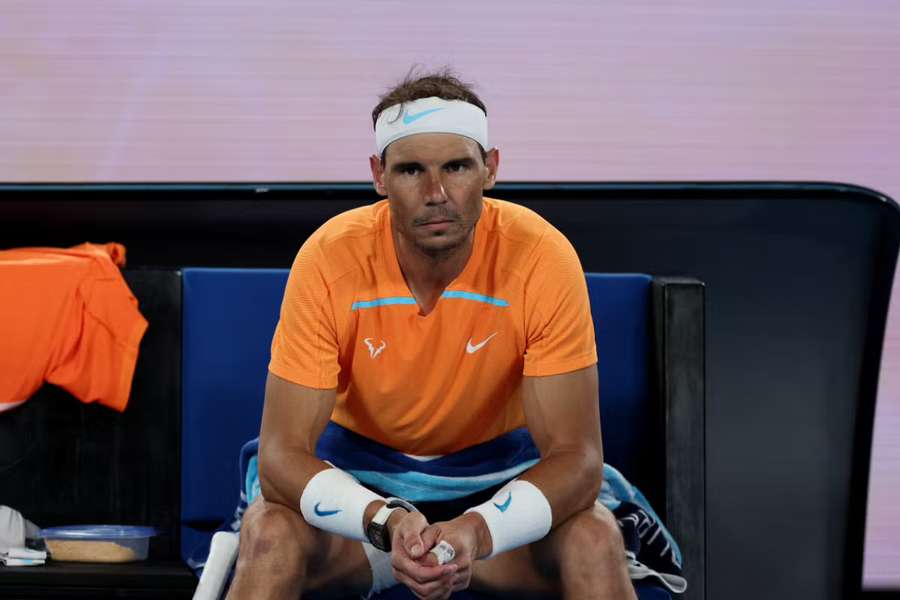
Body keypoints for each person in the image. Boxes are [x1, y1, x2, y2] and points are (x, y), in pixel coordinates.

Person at [226, 70, 637, 600]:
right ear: (379, 176)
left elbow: (578, 462)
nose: (436, 193)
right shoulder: (329, 257)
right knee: (269, 533)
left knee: (595, 538)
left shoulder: (541, 256)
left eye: (457, 167)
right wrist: (385, 520)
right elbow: (281, 458)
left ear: (491, 168)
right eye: (411, 170)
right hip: (363, 501)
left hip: (496, 494)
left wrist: (474, 531)